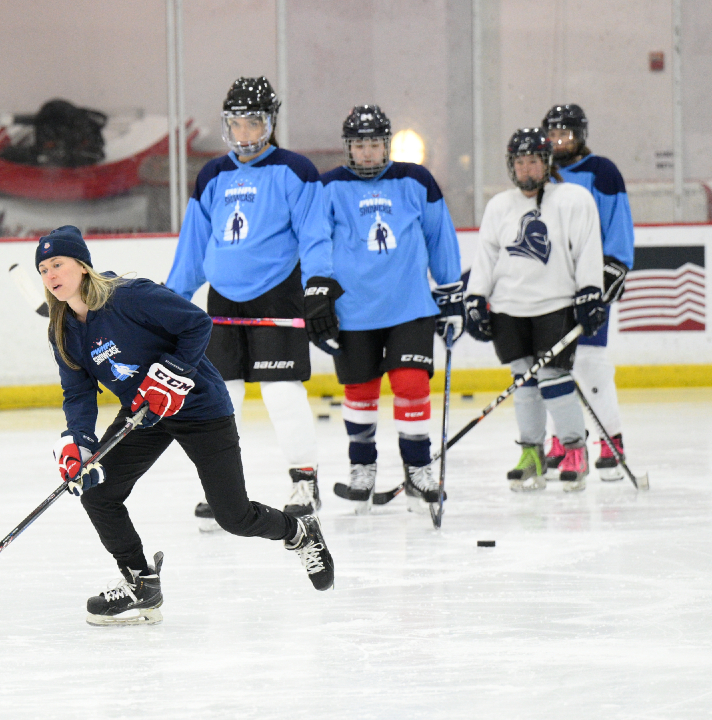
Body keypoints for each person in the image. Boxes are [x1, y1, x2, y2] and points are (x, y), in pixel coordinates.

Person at [39, 226, 334, 626]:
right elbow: (78, 394)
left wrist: (173, 374)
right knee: (99, 493)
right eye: (43, 269)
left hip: (200, 407)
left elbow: (197, 324)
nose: (51, 275)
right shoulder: (63, 331)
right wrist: (80, 443)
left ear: (82, 265)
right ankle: (140, 584)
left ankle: (298, 532)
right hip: (146, 413)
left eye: (57, 263)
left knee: (234, 516)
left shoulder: (130, 295)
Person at [165, 76, 330, 524]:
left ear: (270, 124)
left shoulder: (296, 170)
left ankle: (304, 479)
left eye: (252, 124)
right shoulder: (213, 175)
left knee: (280, 392)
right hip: (223, 300)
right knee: (221, 396)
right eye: (236, 124)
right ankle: (224, 492)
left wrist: (320, 285)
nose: (243, 134)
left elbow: (315, 234)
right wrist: (171, 301)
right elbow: (193, 248)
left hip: (278, 295)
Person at [309, 105, 463, 513]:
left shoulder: (415, 180)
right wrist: (318, 293)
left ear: (386, 144)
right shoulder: (327, 188)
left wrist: (450, 294)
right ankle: (363, 468)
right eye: (360, 145)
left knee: (412, 384)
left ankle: (417, 469)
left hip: (410, 306)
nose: (368, 153)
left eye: (375, 144)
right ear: (348, 148)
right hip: (353, 311)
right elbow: (316, 242)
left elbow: (439, 236)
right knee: (360, 391)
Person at [463, 128, 605, 492]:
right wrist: (476, 297)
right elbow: (487, 256)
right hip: (509, 308)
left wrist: (590, 291)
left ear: (547, 164)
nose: (526, 170)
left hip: (555, 305)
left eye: (534, 162)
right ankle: (532, 453)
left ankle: (574, 450)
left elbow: (588, 247)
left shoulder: (573, 199)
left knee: (554, 380)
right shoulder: (500, 205)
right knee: (524, 384)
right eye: (520, 162)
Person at [541, 104, 634, 481]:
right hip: (549, 285)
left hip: (589, 282)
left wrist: (615, 266)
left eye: (567, 134)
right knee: (551, 365)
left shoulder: (601, 171)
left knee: (592, 364)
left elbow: (618, 220)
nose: (560, 141)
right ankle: (561, 440)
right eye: (554, 134)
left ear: (581, 136)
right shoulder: (540, 172)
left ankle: (611, 439)